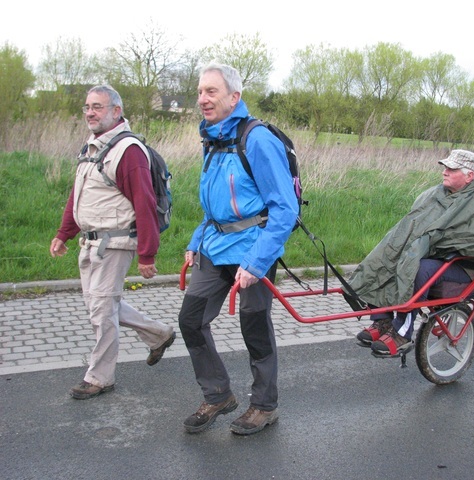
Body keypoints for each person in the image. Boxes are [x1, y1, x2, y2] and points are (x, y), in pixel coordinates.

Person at [178, 63, 298, 436]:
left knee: (254, 327)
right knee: (190, 320)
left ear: (234, 97)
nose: (202, 99)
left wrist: (257, 262)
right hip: (214, 247)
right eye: (200, 92)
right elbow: (213, 204)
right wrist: (195, 241)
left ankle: (264, 406)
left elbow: (284, 208)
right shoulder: (212, 140)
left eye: (211, 92)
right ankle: (217, 395)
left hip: (252, 248)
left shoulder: (257, 139)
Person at [50, 85, 176, 400]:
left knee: (101, 312)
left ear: (116, 111)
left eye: (97, 107)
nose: (90, 113)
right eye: (87, 107)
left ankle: (99, 377)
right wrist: (64, 233)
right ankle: (159, 334)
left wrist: (147, 254)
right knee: (102, 304)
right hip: (90, 243)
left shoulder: (128, 150)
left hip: (114, 244)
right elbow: (78, 196)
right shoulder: (91, 147)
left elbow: (145, 203)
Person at [347, 150, 474, 357]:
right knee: (389, 254)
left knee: (416, 267)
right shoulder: (438, 192)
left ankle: (402, 333)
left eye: (451, 169)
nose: (444, 172)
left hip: (466, 266)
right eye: (445, 167)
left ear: (469, 176)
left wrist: (436, 243)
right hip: (435, 256)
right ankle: (382, 319)